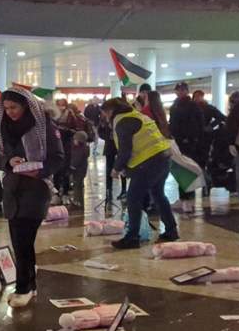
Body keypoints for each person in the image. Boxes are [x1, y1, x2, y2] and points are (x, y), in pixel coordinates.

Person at [0, 87, 64, 307]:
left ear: (26, 106)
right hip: (12, 190)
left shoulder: (44, 127)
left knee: (23, 239)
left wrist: (39, 171)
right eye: (5, 108)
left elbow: (58, 157)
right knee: (20, 242)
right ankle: (30, 285)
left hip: (35, 189)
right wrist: (8, 162)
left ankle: (23, 288)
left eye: (14, 107)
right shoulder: (4, 128)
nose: (10, 112)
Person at [102, 98, 178, 249]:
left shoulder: (122, 121)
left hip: (149, 163)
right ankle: (171, 230)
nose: (104, 117)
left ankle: (132, 237)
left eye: (104, 113)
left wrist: (116, 168)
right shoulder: (137, 115)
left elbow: (125, 150)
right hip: (164, 158)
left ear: (110, 111)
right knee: (158, 194)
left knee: (133, 198)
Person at [169, 82, 205, 213]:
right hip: (178, 142)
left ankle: (189, 199)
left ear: (186, 91)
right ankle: (182, 197)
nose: (179, 92)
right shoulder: (175, 105)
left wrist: (193, 138)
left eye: (181, 90)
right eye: (177, 90)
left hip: (189, 143)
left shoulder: (192, 106)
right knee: (180, 169)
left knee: (189, 169)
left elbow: (199, 124)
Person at [192, 89, 226, 196]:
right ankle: (205, 183)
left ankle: (205, 184)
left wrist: (210, 127)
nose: (197, 99)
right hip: (194, 140)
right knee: (196, 164)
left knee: (201, 163)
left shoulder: (208, 108)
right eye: (196, 96)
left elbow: (222, 117)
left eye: (199, 96)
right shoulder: (192, 108)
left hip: (204, 140)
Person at [53, 98, 77, 204]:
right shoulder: (53, 115)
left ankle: (66, 193)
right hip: (56, 146)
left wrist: (64, 130)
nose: (60, 107)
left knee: (66, 170)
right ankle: (56, 193)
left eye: (62, 105)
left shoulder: (70, 115)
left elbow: (75, 130)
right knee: (56, 171)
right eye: (59, 105)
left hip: (67, 145)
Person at [70, 130, 90, 207]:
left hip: (78, 170)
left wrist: (72, 165)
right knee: (78, 184)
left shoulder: (80, 149)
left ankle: (78, 200)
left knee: (77, 185)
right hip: (81, 169)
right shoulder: (84, 147)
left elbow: (77, 158)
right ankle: (78, 200)